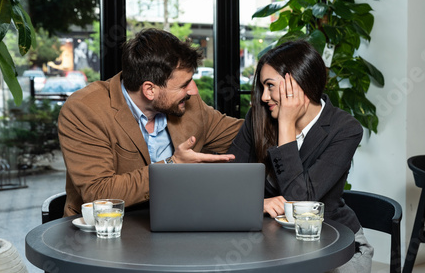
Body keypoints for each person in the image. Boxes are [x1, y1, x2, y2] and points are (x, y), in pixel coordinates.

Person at [58, 28, 243, 216]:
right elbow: (99, 193)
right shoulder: (85, 110)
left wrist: (272, 100)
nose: (193, 91)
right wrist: (173, 166)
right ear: (149, 90)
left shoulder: (189, 105)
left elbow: (247, 135)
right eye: (184, 84)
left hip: (179, 223)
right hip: (108, 231)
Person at [228, 40, 373, 272]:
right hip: (272, 243)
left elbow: (300, 202)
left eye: (270, 86)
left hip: (335, 246)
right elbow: (228, 182)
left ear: (296, 84)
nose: (264, 97)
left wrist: (286, 123)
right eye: (262, 87)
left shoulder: (344, 128)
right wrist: (257, 203)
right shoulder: (258, 117)